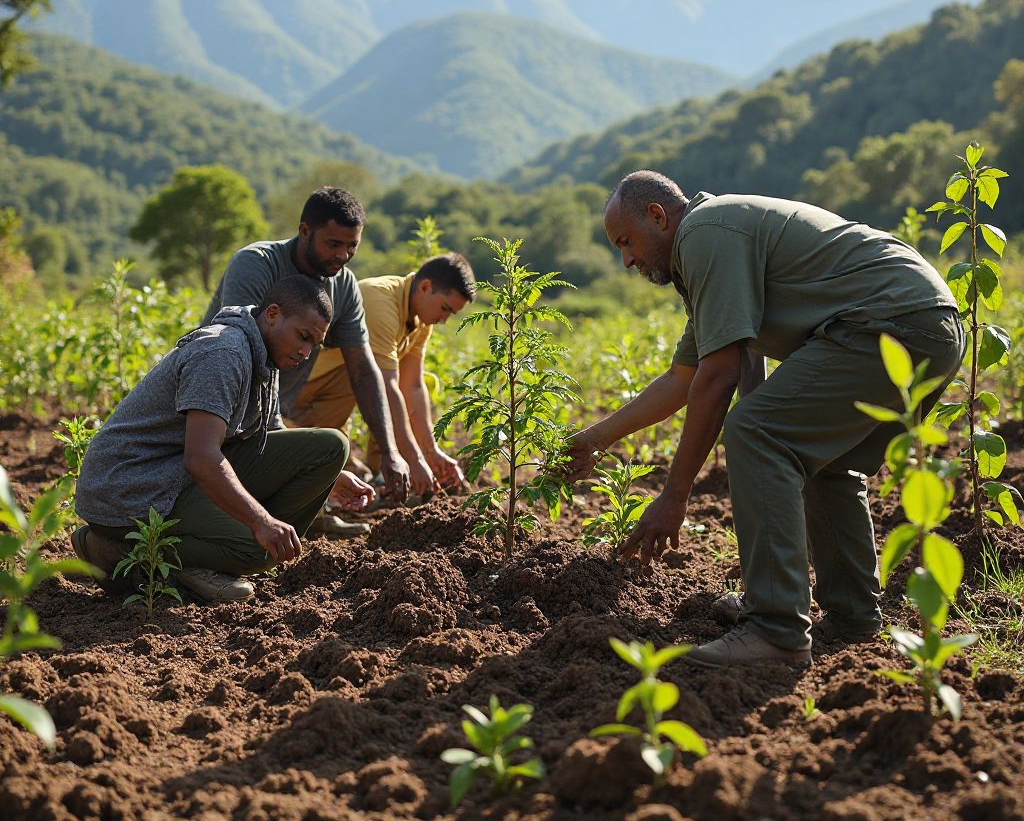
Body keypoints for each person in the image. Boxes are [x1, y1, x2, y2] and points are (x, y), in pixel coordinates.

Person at [566, 170, 965, 668]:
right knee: (822, 462)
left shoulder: (706, 235)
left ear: (657, 215)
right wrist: (593, 439)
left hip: (890, 321)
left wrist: (674, 495)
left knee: (756, 431)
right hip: (927, 323)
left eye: (626, 242)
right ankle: (852, 616)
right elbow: (683, 378)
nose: (626, 260)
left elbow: (718, 379)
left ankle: (775, 629)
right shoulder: (713, 241)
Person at [72, 275, 373, 603]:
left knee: (330, 449)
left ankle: (210, 551)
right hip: (132, 486)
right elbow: (201, 457)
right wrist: (260, 521)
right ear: (272, 314)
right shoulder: (223, 352)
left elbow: (266, 437)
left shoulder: (264, 356)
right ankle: (114, 549)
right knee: (256, 550)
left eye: (313, 345)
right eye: (302, 336)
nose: (305, 352)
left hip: (175, 476)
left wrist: (330, 478)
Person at [202, 187, 411, 538]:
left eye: (352, 246)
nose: (343, 255)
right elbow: (237, 347)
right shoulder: (256, 264)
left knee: (330, 444)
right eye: (333, 244)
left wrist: (392, 452)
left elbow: (362, 368)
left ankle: (306, 513)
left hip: (273, 412)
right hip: (225, 408)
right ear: (304, 231)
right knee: (236, 524)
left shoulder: (343, 285)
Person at [290, 253, 476, 500]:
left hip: (330, 398)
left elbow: (413, 386)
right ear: (425, 286)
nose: (444, 320)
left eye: (450, 314)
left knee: (407, 385)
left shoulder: (421, 320)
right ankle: (320, 461)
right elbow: (387, 388)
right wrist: (414, 458)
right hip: (297, 391)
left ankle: (382, 480)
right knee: (373, 376)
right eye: (445, 309)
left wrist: (431, 452)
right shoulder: (381, 301)